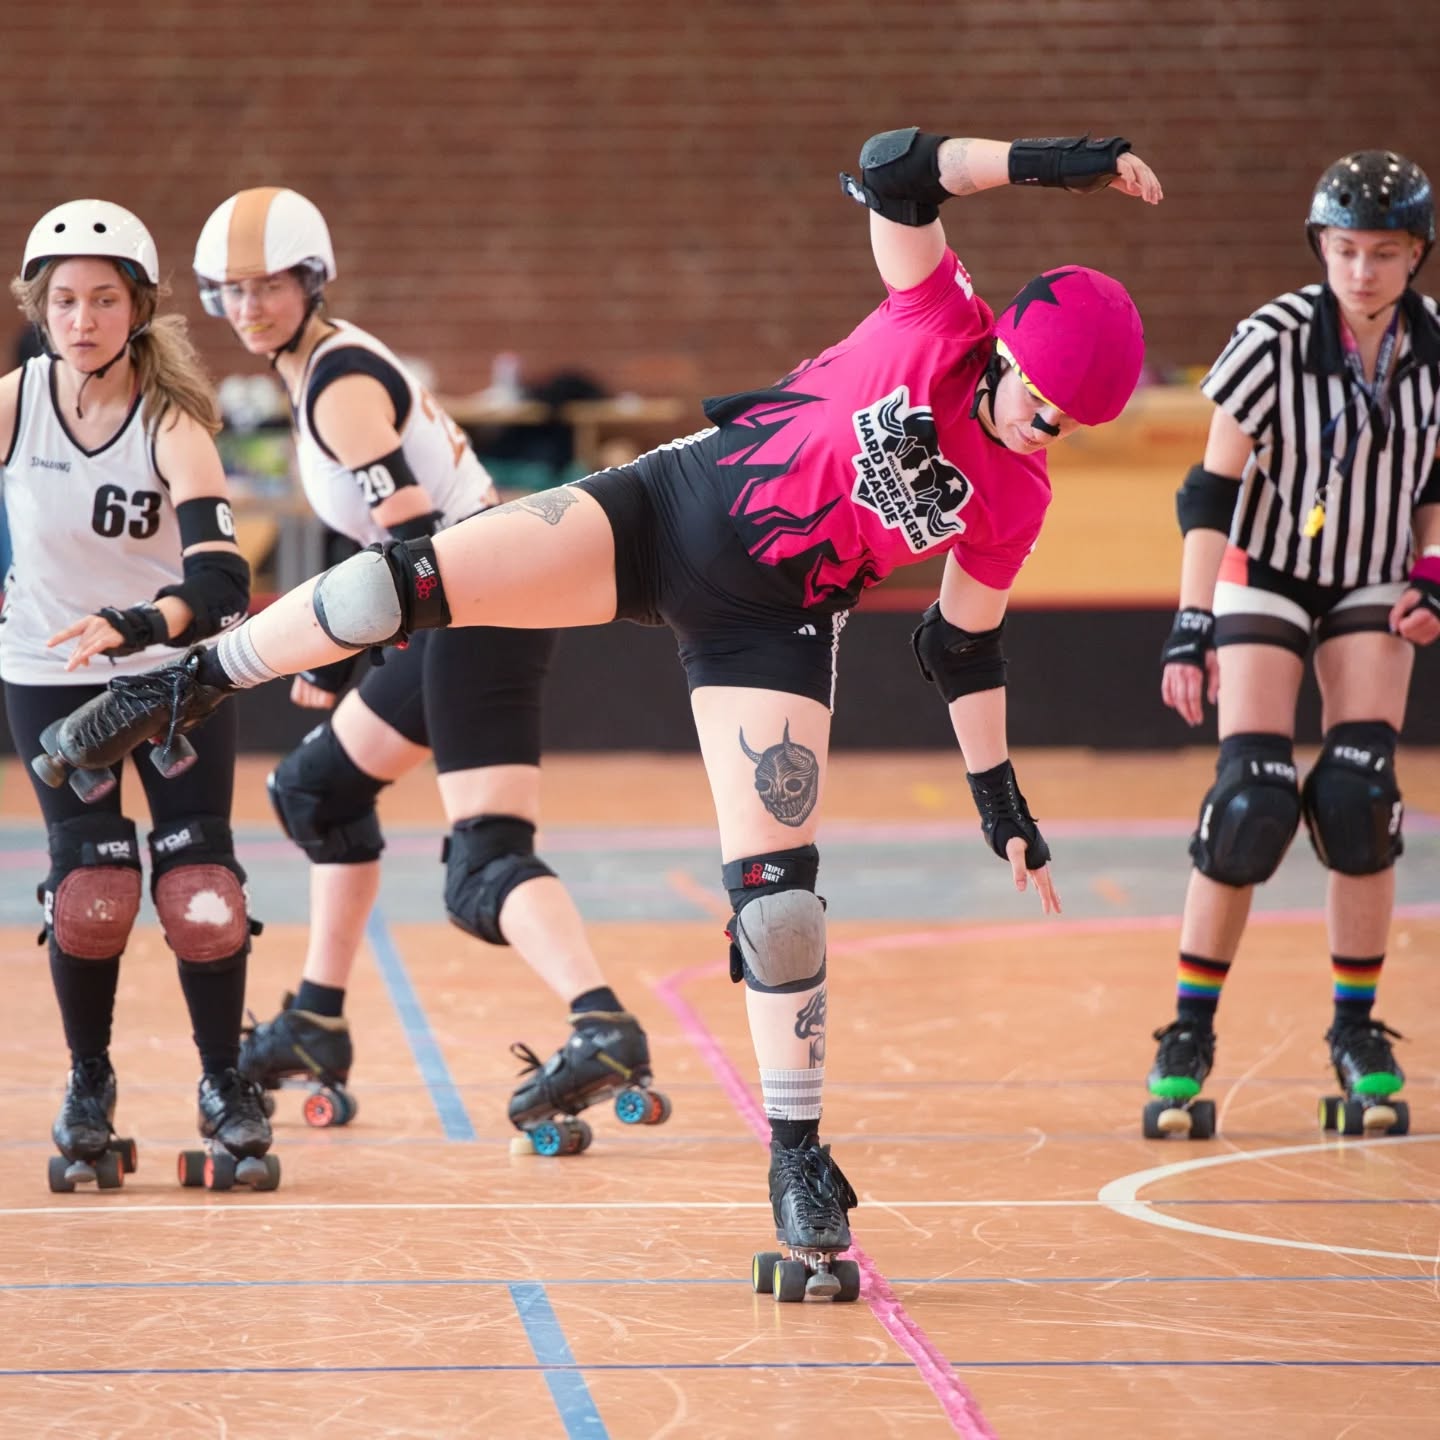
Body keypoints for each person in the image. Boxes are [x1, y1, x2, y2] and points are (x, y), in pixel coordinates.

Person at [43, 127, 1160, 1285]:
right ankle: (181, 684)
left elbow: (960, 644)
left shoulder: (1017, 493)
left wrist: (1000, 796)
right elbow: (896, 167)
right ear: (1013, 350)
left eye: (1070, 424)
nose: (1044, 427)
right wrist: (1053, 163)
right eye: (1040, 399)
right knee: (409, 581)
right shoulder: (940, 317)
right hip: (665, 510)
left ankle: (799, 1162)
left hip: (771, 628)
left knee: (780, 912)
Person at [188, 187, 666, 1145]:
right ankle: (317, 1020)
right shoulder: (319, 368)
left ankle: (600, 1021)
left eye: (267, 287)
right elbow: (397, 552)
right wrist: (346, 648)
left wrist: (343, 645)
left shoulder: (338, 382)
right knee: (315, 794)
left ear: (310, 280)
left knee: (482, 860)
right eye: (231, 293)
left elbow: (408, 541)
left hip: (479, 603)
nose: (249, 308)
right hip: (459, 599)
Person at [1151, 149, 1440, 1140]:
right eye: (1345, 249)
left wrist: (1433, 574)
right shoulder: (1274, 337)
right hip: (1265, 570)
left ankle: (1356, 1034)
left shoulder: (1436, 344)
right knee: (1251, 803)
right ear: (1321, 247)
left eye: (1385, 253)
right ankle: (1188, 1035)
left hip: (1371, 576)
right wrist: (1192, 628)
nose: (1361, 270)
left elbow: (1436, 484)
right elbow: (1210, 491)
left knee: (1361, 799)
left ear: (1417, 257)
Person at [0, 200, 276, 1191]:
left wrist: (136, 625)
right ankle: (88, 1086)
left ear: (138, 309)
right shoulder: (16, 402)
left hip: (169, 681)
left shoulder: (173, 425)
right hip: (51, 676)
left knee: (202, 898)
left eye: (103, 300)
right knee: (93, 894)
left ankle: (225, 1083)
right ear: (41, 307)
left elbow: (222, 583)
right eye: (64, 300)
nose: (82, 319)